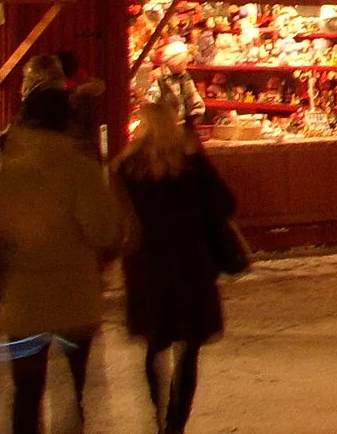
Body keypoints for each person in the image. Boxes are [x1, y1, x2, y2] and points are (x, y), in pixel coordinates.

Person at [0, 84, 124, 434]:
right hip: (75, 301)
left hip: (23, 303)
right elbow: (104, 231)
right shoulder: (79, 168)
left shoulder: (7, 171)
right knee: (72, 390)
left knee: (26, 393)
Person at [112, 99, 239, 434]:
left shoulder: (128, 167)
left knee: (155, 346)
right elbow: (226, 203)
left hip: (148, 269)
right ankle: (175, 424)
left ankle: (158, 416)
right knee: (188, 351)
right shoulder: (191, 164)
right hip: (191, 267)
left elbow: (116, 220)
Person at [147, 41, 207, 130]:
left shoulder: (184, 77)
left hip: (183, 126)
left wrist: (193, 117)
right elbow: (152, 103)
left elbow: (193, 97)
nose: (186, 66)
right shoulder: (159, 77)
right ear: (176, 62)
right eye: (184, 63)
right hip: (165, 128)